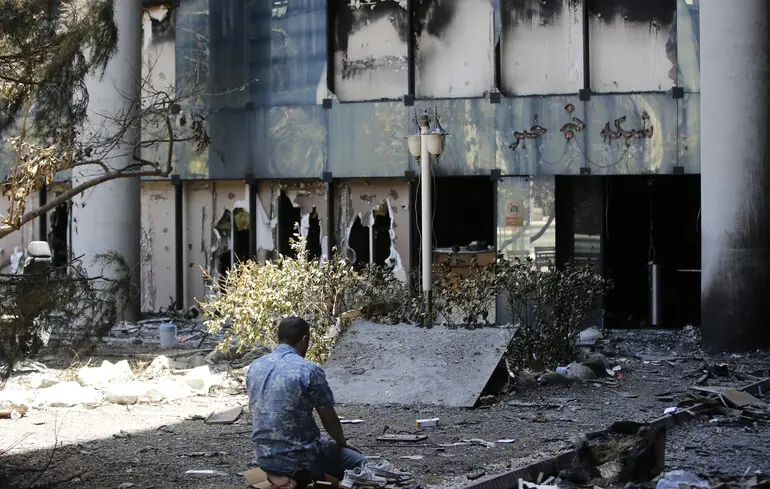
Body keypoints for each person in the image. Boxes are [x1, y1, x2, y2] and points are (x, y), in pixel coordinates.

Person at [247, 316, 393, 489]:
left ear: (278, 338)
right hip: (302, 457)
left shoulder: (255, 366)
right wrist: (342, 443)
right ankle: (300, 476)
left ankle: (277, 475)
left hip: (264, 456)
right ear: (304, 339)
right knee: (359, 462)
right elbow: (328, 418)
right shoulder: (309, 370)